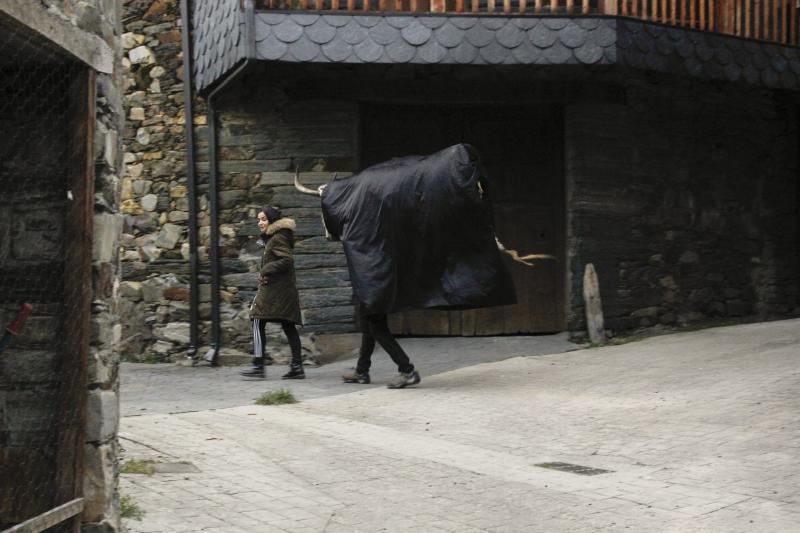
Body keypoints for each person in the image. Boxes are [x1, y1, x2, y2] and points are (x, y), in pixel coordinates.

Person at [240, 206, 305, 380]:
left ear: (272, 221)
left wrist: (265, 270)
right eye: (258, 220)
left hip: (277, 290)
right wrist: (265, 273)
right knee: (288, 325)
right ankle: (297, 367)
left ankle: (259, 365)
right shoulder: (275, 237)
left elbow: (286, 260)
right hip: (280, 289)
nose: (260, 223)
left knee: (257, 319)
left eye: (263, 219)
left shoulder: (278, 237)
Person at [342, 310, 421, 389]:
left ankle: (408, 371)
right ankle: (361, 371)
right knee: (367, 326)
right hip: (368, 302)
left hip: (376, 302)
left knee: (378, 328)